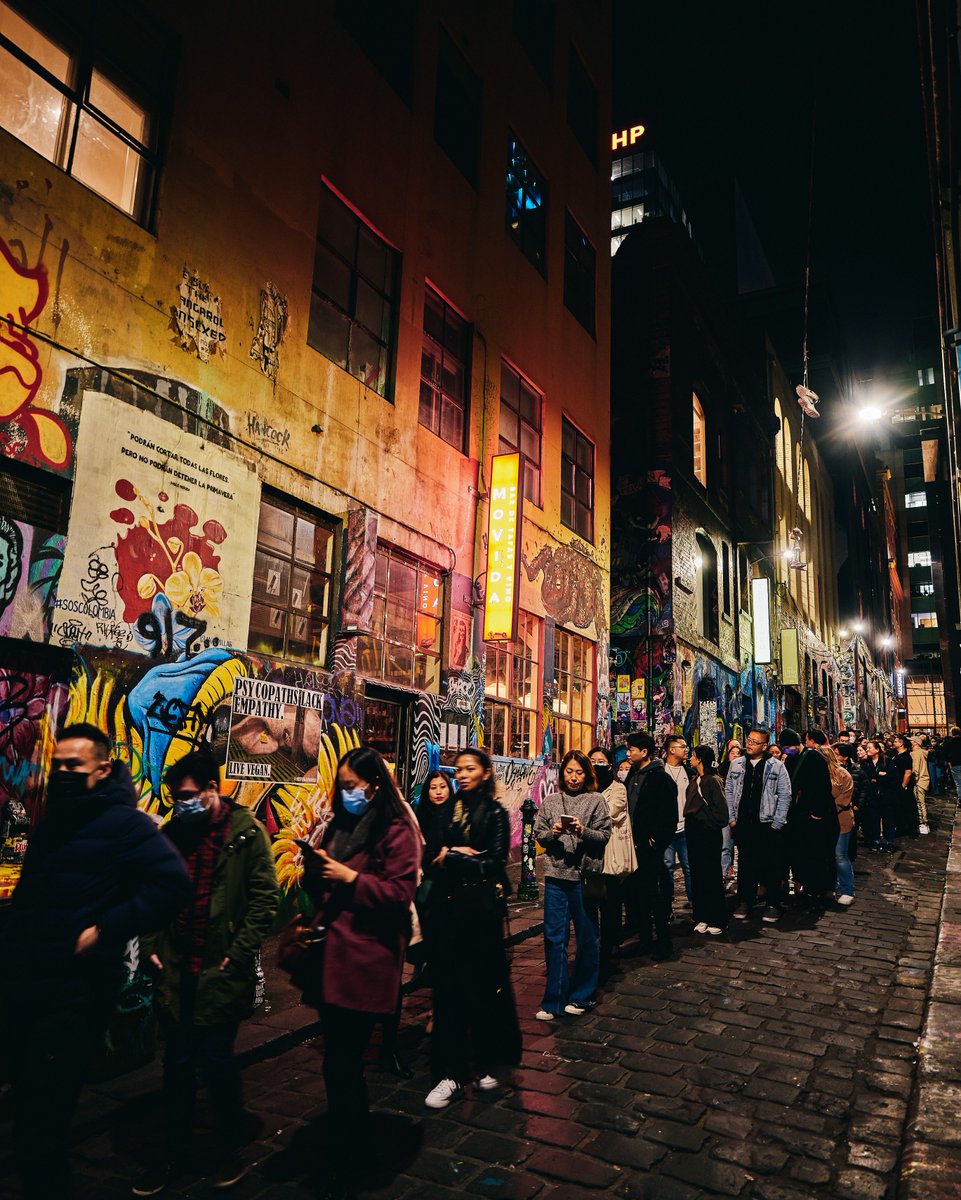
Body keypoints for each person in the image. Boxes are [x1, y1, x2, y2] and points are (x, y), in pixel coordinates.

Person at [1, 723, 190, 1200]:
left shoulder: (125, 824)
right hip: (27, 984)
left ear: (102, 769)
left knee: (43, 1122)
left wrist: (107, 928)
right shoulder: (56, 821)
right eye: (58, 765)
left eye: (74, 766)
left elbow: (172, 883)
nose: (62, 774)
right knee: (29, 1111)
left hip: (76, 993)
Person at [134, 749, 280, 1196]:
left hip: (220, 968)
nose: (181, 804)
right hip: (176, 969)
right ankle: (173, 1153)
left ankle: (226, 1147)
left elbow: (265, 899)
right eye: (176, 798)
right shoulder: (172, 834)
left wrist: (238, 952)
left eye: (188, 796)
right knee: (177, 1065)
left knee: (217, 1062)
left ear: (212, 789)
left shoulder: (245, 834)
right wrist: (152, 945)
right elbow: (153, 892)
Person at [296, 746, 421, 1200]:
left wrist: (348, 878)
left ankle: (353, 1155)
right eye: (342, 786)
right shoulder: (341, 824)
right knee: (338, 1062)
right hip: (333, 958)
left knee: (345, 1062)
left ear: (374, 785)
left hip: (367, 960)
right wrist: (314, 871)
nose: (347, 793)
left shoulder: (397, 830)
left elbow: (398, 894)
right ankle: (350, 1145)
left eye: (354, 786)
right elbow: (327, 880)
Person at [426, 748, 521, 1105]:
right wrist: (463, 853)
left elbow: (494, 862)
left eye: (470, 768)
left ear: (485, 773)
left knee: (484, 991)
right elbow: (430, 855)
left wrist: (454, 854)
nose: (462, 775)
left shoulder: (495, 813)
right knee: (447, 993)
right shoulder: (445, 810)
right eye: (459, 770)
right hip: (447, 911)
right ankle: (450, 1073)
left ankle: (488, 1063)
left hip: (481, 914)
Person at [533, 749, 611, 1018]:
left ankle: (582, 996)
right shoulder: (551, 801)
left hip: (584, 877)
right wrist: (553, 833)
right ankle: (553, 1001)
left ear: (587, 774)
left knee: (587, 936)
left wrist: (583, 831)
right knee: (555, 938)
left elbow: (604, 836)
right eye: (569, 772)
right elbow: (539, 835)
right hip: (556, 876)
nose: (574, 778)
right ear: (562, 773)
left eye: (579, 772)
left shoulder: (597, 800)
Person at [726, 728, 792, 922]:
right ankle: (745, 901)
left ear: (764, 746)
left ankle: (773, 904)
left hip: (767, 823)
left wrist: (777, 823)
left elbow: (785, 794)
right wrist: (732, 818)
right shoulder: (737, 764)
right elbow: (729, 791)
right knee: (745, 865)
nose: (749, 744)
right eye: (748, 740)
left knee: (771, 865)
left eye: (755, 742)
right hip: (743, 823)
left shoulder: (776, 766)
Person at [624, 732, 678, 960]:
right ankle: (645, 939)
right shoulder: (632, 775)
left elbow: (670, 816)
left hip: (649, 847)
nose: (627, 753)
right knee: (637, 895)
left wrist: (656, 840)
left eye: (631, 749)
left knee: (654, 895)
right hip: (631, 846)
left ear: (644, 752)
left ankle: (664, 942)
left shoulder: (660, 779)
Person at [589, 745, 635, 980]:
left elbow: (611, 812)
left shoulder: (617, 788)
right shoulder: (585, 787)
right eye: (592, 761)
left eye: (600, 761)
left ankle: (609, 949)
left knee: (610, 905)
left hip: (609, 855)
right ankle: (593, 950)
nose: (595, 765)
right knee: (590, 905)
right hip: (589, 857)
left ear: (609, 765)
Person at [783, 729, 840, 905]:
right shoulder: (790, 760)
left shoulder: (814, 757)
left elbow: (823, 787)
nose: (787, 750)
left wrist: (818, 813)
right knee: (800, 852)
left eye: (789, 747)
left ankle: (818, 889)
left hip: (813, 815)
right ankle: (802, 885)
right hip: (797, 815)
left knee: (816, 853)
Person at [684, 746, 729, 934]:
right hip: (694, 835)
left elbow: (722, 813)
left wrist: (706, 824)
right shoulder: (695, 780)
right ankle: (701, 916)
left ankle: (716, 918)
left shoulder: (712, 781)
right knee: (698, 875)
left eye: (693, 756)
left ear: (700, 759)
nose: (690, 758)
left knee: (711, 875)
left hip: (708, 835)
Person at [818, 742, 856, 907]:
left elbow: (843, 799)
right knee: (827, 855)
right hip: (823, 820)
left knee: (840, 855)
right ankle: (831, 886)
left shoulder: (842, 774)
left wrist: (825, 808)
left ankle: (847, 890)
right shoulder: (818, 773)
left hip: (841, 819)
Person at [661, 734, 693, 914]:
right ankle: (666, 907)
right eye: (683, 746)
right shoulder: (661, 771)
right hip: (667, 829)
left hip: (685, 828)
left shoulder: (689, 773)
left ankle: (694, 902)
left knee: (689, 867)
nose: (686, 749)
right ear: (671, 750)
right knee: (667, 867)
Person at [861, 739, 898, 851]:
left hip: (886, 795)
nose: (867, 750)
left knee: (888, 819)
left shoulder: (886, 761)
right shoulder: (865, 762)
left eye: (870, 748)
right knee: (874, 820)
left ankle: (889, 842)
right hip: (872, 795)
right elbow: (868, 776)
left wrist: (878, 778)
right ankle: (876, 841)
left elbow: (892, 777)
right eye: (867, 748)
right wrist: (879, 775)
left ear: (877, 749)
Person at [890, 735, 917, 836]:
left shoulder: (906, 756)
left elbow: (908, 773)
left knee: (908, 808)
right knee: (899, 808)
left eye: (896, 741)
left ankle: (911, 830)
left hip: (903, 786)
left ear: (902, 743)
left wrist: (903, 786)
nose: (894, 743)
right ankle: (902, 828)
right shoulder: (896, 755)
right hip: (897, 785)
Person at [910, 737, 931, 835]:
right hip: (924, 780)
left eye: (911, 741)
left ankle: (923, 824)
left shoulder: (915, 753)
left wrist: (914, 781)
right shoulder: (922, 752)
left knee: (919, 802)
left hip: (919, 782)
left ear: (915, 743)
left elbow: (915, 769)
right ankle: (924, 823)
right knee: (920, 803)